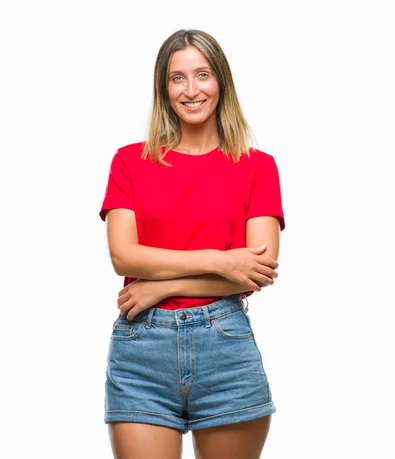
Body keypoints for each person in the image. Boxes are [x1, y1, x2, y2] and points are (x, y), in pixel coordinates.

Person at [99, 29, 285, 459]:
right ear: (164, 89)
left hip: (226, 345)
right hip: (141, 349)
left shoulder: (258, 167)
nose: (191, 89)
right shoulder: (130, 161)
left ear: (221, 81)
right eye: (177, 77)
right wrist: (221, 262)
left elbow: (258, 269)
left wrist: (160, 286)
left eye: (202, 74)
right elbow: (124, 256)